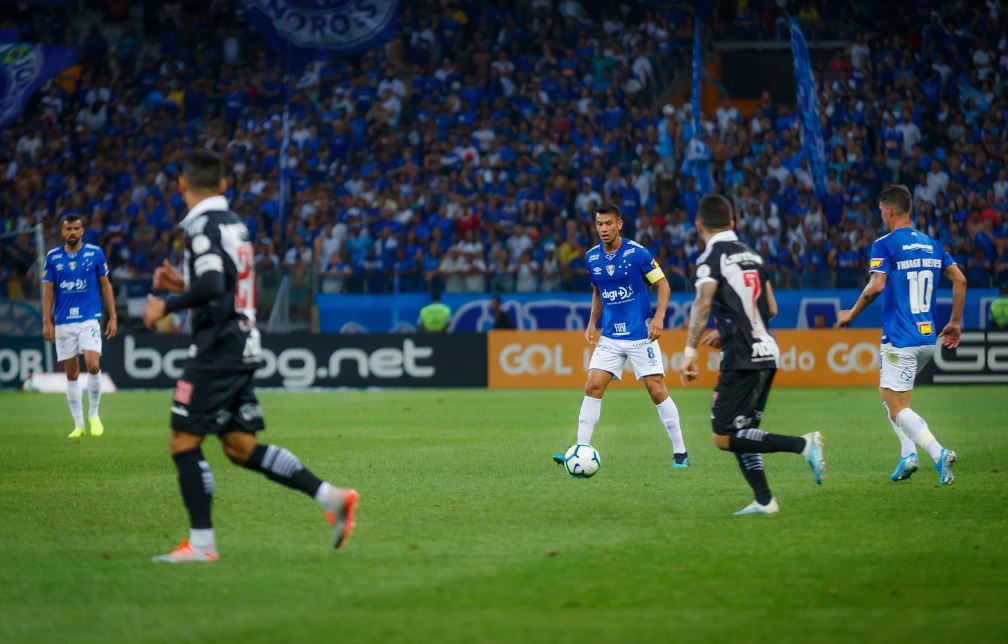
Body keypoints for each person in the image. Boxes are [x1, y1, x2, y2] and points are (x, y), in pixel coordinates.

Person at [142, 150, 358, 563]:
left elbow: (210, 284)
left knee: (183, 440)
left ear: (182, 186)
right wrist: (183, 281)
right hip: (242, 341)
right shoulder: (234, 224)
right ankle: (331, 497)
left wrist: (166, 304)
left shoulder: (203, 225)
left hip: (218, 347)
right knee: (239, 446)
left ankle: (201, 544)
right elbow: (219, 282)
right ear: (223, 185)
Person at [679, 195, 824, 515]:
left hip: (743, 357)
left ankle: (802, 444)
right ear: (733, 223)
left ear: (699, 226)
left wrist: (689, 352)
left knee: (723, 436)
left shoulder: (711, 258)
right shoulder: (752, 255)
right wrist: (729, 330)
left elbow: (703, 305)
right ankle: (764, 500)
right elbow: (770, 308)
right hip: (767, 350)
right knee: (743, 432)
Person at [837, 185, 965, 484]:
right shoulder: (931, 243)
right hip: (926, 338)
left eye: (882, 211)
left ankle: (938, 452)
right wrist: (955, 321)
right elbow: (960, 279)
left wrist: (851, 314)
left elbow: (877, 285)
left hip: (899, 339)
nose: (881, 216)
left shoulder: (884, 244)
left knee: (897, 407)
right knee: (889, 397)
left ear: (889, 210)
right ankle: (907, 455)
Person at [552, 203, 689, 468]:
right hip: (611, 336)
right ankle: (581, 447)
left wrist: (659, 319)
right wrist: (592, 322)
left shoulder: (638, 254)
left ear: (619, 224)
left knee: (656, 390)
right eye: (599, 224)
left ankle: (680, 453)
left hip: (640, 334)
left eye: (608, 224)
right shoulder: (592, 258)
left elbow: (663, 285)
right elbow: (597, 291)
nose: (603, 229)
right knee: (592, 384)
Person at [42, 214, 118, 438]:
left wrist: (112, 316)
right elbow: (48, 291)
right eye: (69, 229)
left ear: (83, 231)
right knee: (72, 373)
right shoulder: (53, 257)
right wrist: (47, 321)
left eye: (76, 228)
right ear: (62, 232)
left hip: (88, 318)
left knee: (93, 365)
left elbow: (106, 286)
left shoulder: (95, 254)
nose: (72, 232)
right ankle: (79, 425)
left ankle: (94, 415)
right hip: (64, 321)